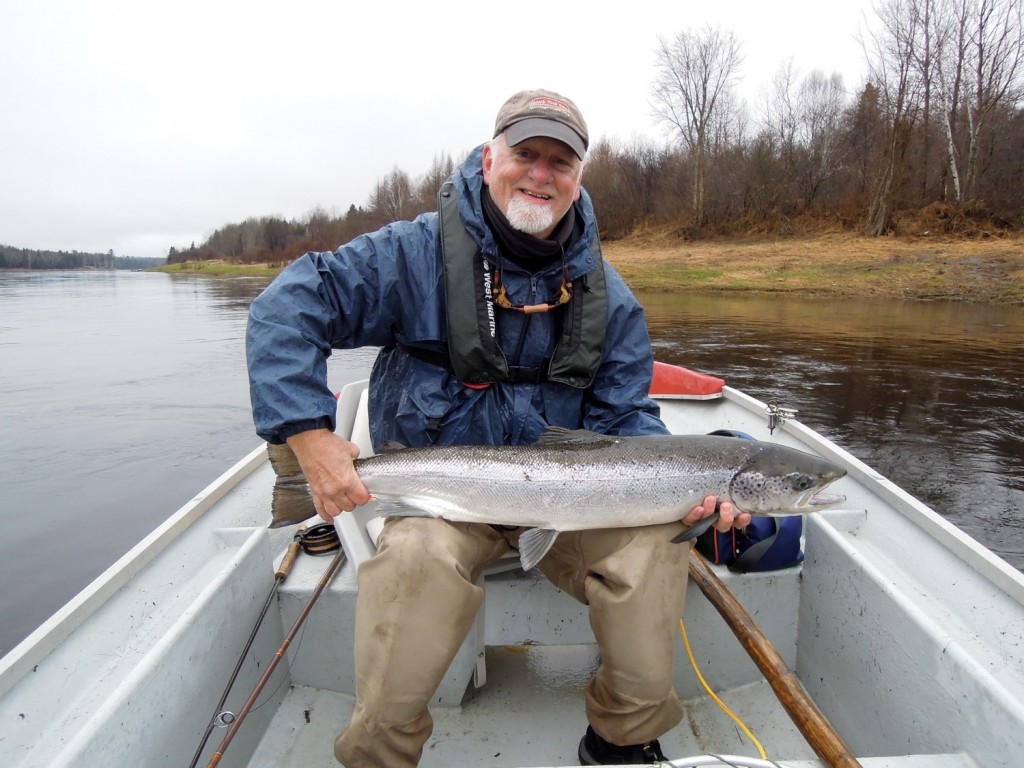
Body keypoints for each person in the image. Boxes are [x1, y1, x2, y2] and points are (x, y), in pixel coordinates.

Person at [246, 88, 749, 767]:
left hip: (572, 508)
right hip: (445, 499)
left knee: (657, 550)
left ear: (578, 180)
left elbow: (627, 422)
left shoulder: (612, 301)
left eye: (560, 162)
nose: (541, 174)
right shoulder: (410, 256)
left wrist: (692, 493)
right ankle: (378, 756)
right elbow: (286, 308)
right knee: (416, 560)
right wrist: (306, 435)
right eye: (526, 154)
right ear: (489, 159)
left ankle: (619, 741)